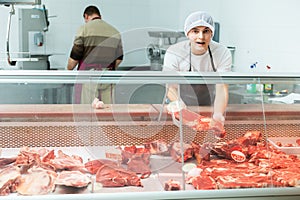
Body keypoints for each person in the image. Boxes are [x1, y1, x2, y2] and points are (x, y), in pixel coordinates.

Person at [163, 11, 232, 134]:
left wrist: (218, 114)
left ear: (212, 33)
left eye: (206, 31)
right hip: (181, 104)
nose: (201, 36)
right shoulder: (174, 52)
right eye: (195, 31)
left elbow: (221, 86)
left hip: (209, 105)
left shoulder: (222, 52)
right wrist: (180, 106)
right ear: (188, 33)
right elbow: (170, 86)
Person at [67, 5, 123, 104]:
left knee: (87, 112)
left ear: (86, 16)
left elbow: (75, 57)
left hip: (88, 78)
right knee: (107, 112)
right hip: (108, 78)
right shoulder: (115, 32)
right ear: (99, 16)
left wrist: (68, 69)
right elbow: (119, 58)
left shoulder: (83, 30)